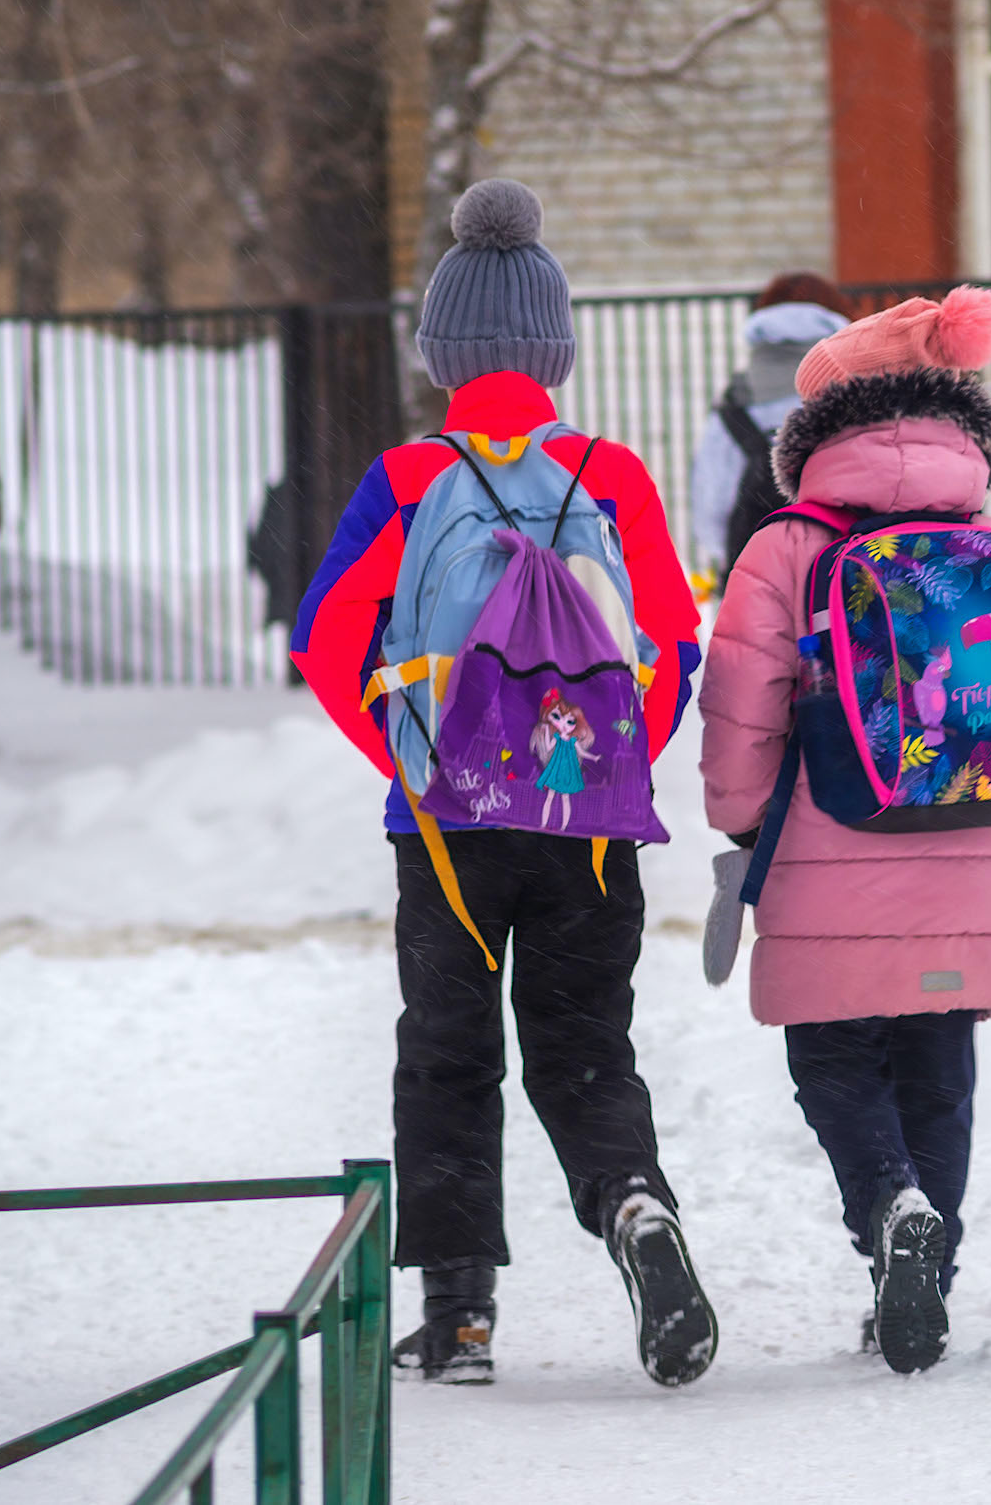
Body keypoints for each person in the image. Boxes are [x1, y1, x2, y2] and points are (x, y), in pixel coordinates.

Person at [291, 178, 714, 1390]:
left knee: (447, 1050)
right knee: (585, 1043)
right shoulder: (609, 473)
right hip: (586, 824)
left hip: (448, 826)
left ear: (441, 354)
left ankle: (462, 1314)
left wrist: (412, 758)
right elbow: (673, 642)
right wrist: (603, 760)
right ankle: (632, 1202)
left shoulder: (408, 476)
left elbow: (326, 638)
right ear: (555, 351)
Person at [697, 286, 991, 1374]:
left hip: (824, 833)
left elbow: (743, 699)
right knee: (938, 1059)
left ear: (817, 431)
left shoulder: (785, 545)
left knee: (833, 1053)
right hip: (966, 834)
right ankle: (924, 1278)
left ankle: (889, 1210)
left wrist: (740, 824)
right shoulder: (989, 538)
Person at [686, 273, 853, 587]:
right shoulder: (862, 390)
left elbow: (712, 497)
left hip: (760, 570)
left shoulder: (738, 399)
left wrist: (726, 551)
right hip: (848, 566)